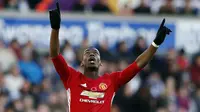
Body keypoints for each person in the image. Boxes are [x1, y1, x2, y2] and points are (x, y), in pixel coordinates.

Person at [48, 2, 172, 112]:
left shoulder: (111, 81)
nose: (92, 54)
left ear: (100, 63)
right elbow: (55, 54)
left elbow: (137, 65)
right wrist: (55, 28)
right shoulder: (71, 77)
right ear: (82, 62)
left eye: (95, 54)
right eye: (88, 54)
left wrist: (155, 44)